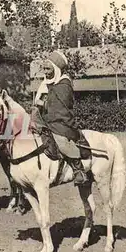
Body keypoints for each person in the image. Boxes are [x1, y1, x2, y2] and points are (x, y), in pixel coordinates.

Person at [38, 50, 89, 186]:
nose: (46, 72)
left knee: (60, 138)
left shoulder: (64, 84)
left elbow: (62, 107)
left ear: (56, 68)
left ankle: (78, 170)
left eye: (48, 69)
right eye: (44, 69)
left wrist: (44, 104)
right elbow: (40, 100)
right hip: (45, 119)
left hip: (61, 121)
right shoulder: (46, 83)